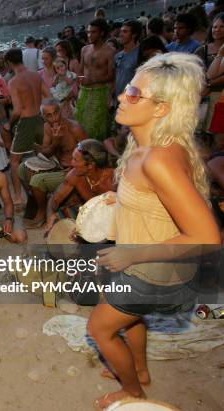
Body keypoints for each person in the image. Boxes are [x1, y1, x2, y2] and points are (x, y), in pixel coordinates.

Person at [88, 53, 220, 409]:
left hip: (151, 268)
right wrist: (123, 198)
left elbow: (207, 236)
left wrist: (132, 253)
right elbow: (157, 197)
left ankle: (133, 390)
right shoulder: (150, 146)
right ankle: (140, 370)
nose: (120, 96)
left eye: (133, 93)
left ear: (161, 109)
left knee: (99, 328)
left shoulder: (158, 159)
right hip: (143, 261)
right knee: (128, 316)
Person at [23, 99, 88, 226]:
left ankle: (42, 212)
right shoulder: (47, 128)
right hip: (58, 166)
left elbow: (90, 153)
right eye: (49, 115)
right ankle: (38, 205)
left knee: (37, 181)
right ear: (43, 117)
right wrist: (56, 142)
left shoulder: (74, 128)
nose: (54, 118)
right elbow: (44, 154)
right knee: (22, 167)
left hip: (74, 171)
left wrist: (75, 167)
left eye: (56, 113)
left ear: (61, 111)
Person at [5, 47, 51, 205]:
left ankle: (18, 196)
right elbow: (49, 96)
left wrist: (8, 123)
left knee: (14, 160)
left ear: (9, 63)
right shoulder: (36, 75)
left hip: (26, 122)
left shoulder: (13, 82)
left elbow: (17, 110)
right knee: (44, 152)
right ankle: (48, 185)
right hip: (39, 118)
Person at [44, 139, 116, 231]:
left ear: (90, 165)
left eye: (75, 160)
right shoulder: (74, 175)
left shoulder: (115, 179)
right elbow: (54, 200)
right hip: (92, 213)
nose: (71, 163)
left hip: (116, 219)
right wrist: (50, 216)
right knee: (57, 221)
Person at [77, 18, 115, 141]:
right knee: (80, 122)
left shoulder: (110, 51)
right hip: (84, 92)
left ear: (101, 33)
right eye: (88, 32)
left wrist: (92, 80)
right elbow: (80, 70)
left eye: (93, 32)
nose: (89, 35)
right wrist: (79, 80)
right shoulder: (84, 49)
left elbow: (111, 75)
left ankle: (98, 153)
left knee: (97, 126)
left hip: (100, 92)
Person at [197, 13, 224, 131]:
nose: (217, 29)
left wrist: (209, 84)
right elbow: (198, 73)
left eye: (222, 26)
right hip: (204, 96)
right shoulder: (203, 49)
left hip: (219, 96)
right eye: (215, 26)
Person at [115, 20, 142, 100]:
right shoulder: (118, 55)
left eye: (125, 32)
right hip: (118, 100)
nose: (121, 35)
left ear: (134, 34)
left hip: (134, 101)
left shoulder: (141, 55)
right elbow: (115, 77)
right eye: (121, 32)